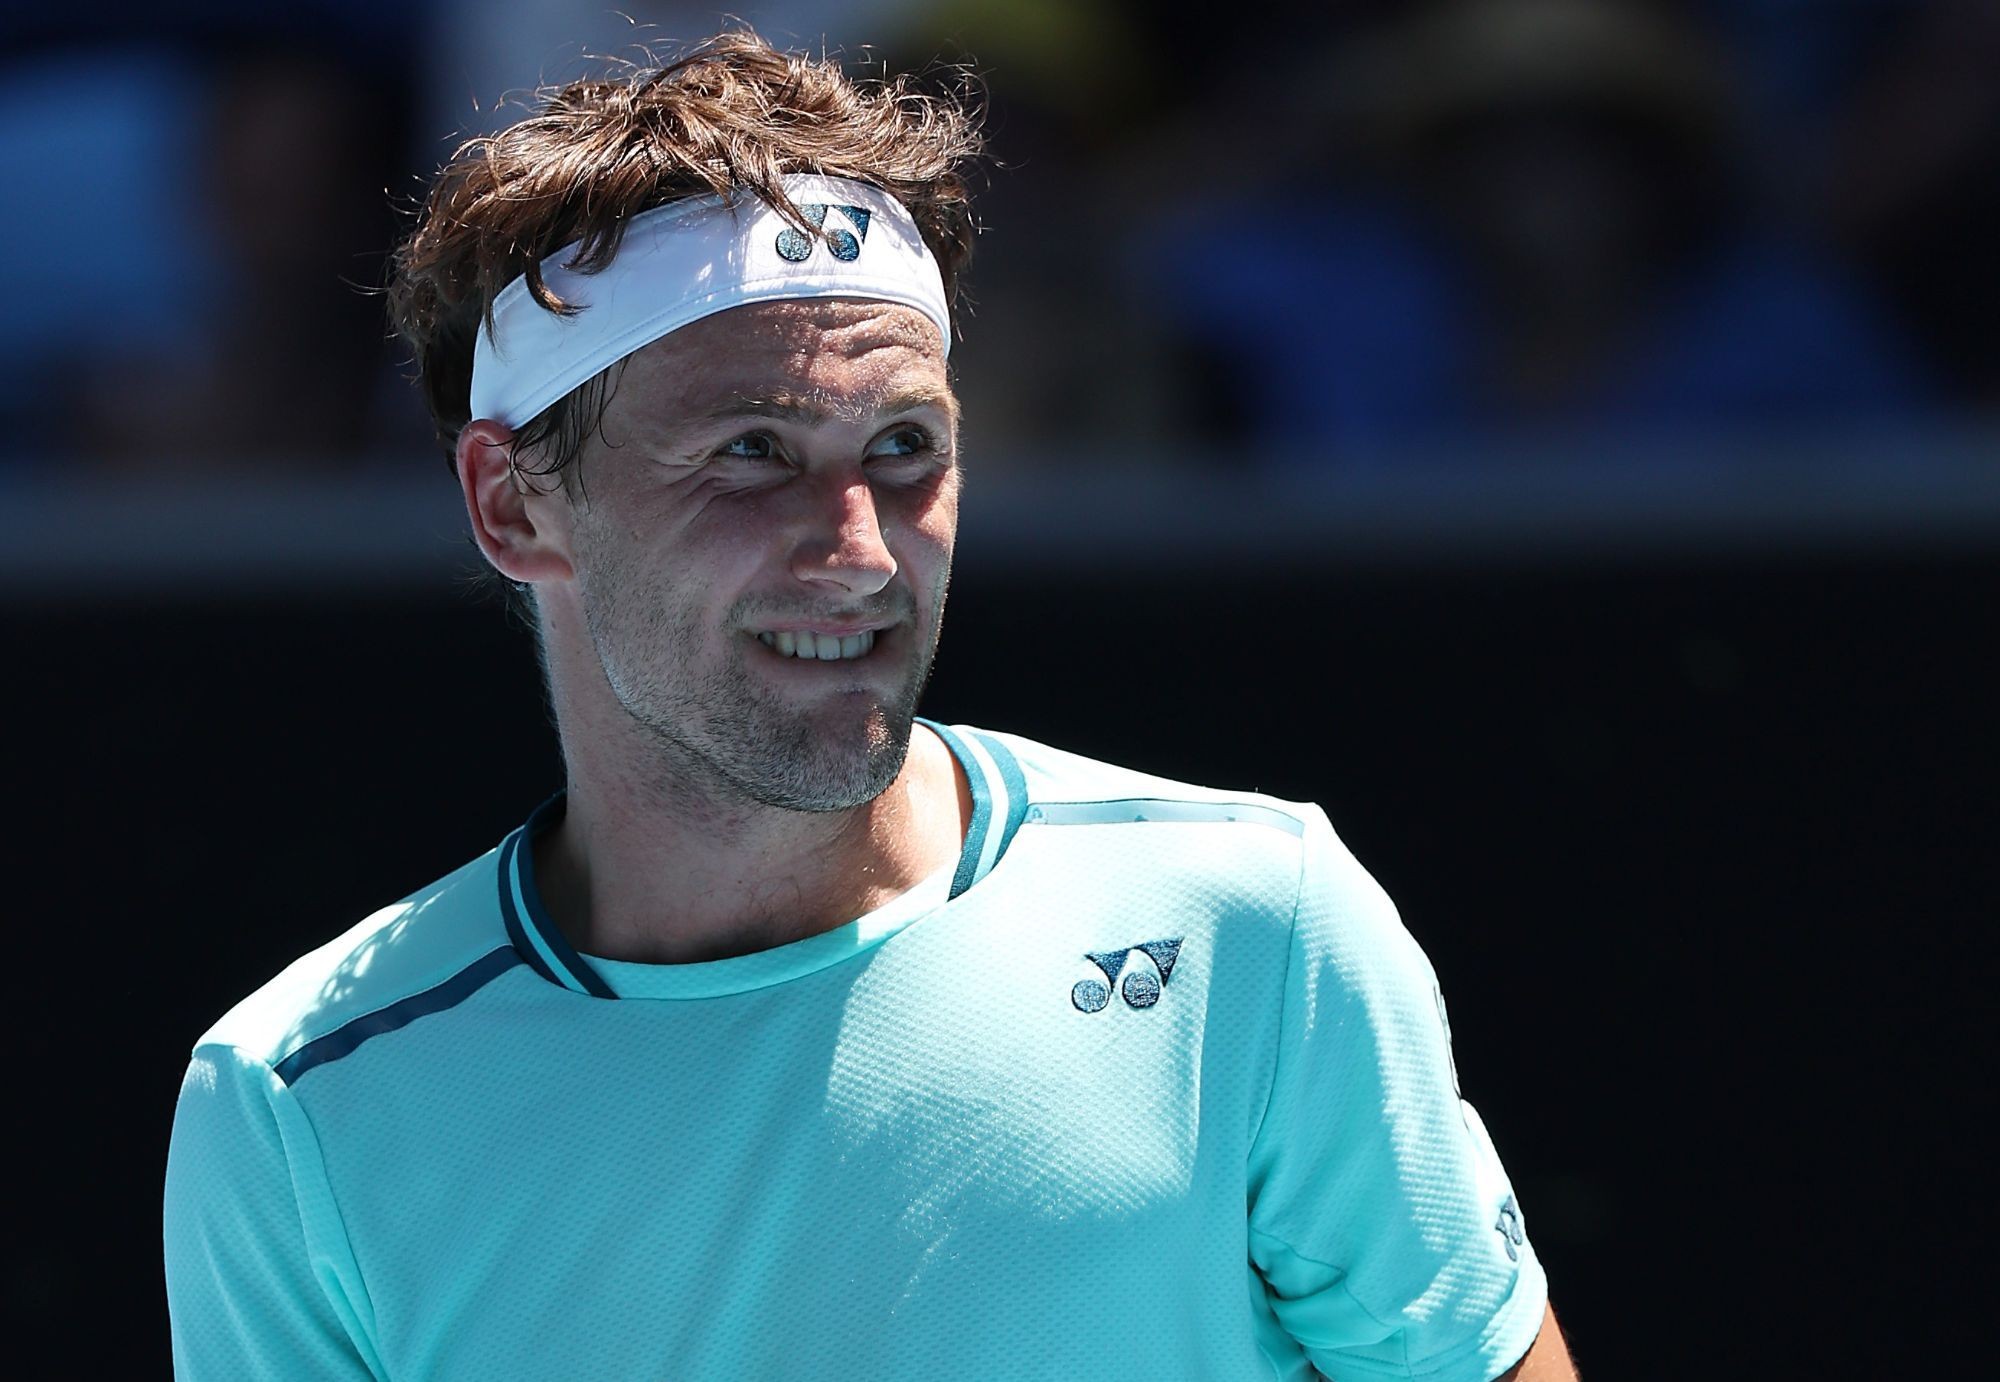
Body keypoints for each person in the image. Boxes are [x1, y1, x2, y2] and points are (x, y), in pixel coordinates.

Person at [162, 32, 1577, 1381]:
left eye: (904, 445)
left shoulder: (1255, 925)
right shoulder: (293, 1105)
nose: (859, 550)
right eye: (750, 450)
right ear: (512, 502)